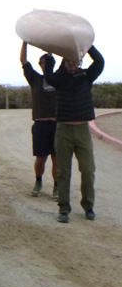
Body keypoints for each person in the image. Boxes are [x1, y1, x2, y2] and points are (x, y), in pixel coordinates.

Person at [43, 46, 104, 223]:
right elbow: (48, 73)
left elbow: (100, 62)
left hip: (83, 130)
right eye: (68, 61)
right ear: (64, 62)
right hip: (64, 130)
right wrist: (50, 54)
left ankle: (88, 206)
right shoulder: (59, 79)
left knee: (88, 170)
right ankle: (63, 208)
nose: (71, 64)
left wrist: (88, 45)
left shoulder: (87, 76)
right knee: (63, 171)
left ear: (79, 62)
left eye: (74, 61)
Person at [20, 42, 58, 198]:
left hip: (57, 124)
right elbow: (23, 61)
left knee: (57, 158)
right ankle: (38, 182)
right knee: (41, 158)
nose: (43, 65)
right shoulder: (35, 78)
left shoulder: (59, 79)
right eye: (41, 63)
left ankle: (57, 187)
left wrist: (50, 48)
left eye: (46, 62)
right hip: (41, 124)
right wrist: (25, 42)